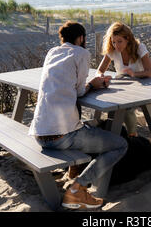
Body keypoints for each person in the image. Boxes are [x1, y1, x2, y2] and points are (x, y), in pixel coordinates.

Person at [28, 21, 128, 210]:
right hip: (62, 136)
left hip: (39, 134)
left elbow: (67, 86)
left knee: (88, 125)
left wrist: (88, 85)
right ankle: (78, 188)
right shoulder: (81, 53)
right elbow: (80, 91)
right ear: (81, 38)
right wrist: (95, 84)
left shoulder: (52, 52)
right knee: (121, 144)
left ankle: (77, 180)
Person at [96, 22, 151, 137]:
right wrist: (101, 76)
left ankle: (132, 135)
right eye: (113, 42)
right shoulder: (112, 50)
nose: (116, 45)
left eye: (119, 41)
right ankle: (114, 135)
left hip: (141, 85)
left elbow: (149, 72)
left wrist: (134, 74)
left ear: (128, 39)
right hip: (123, 86)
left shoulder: (139, 48)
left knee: (126, 108)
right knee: (110, 104)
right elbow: (99, 70)